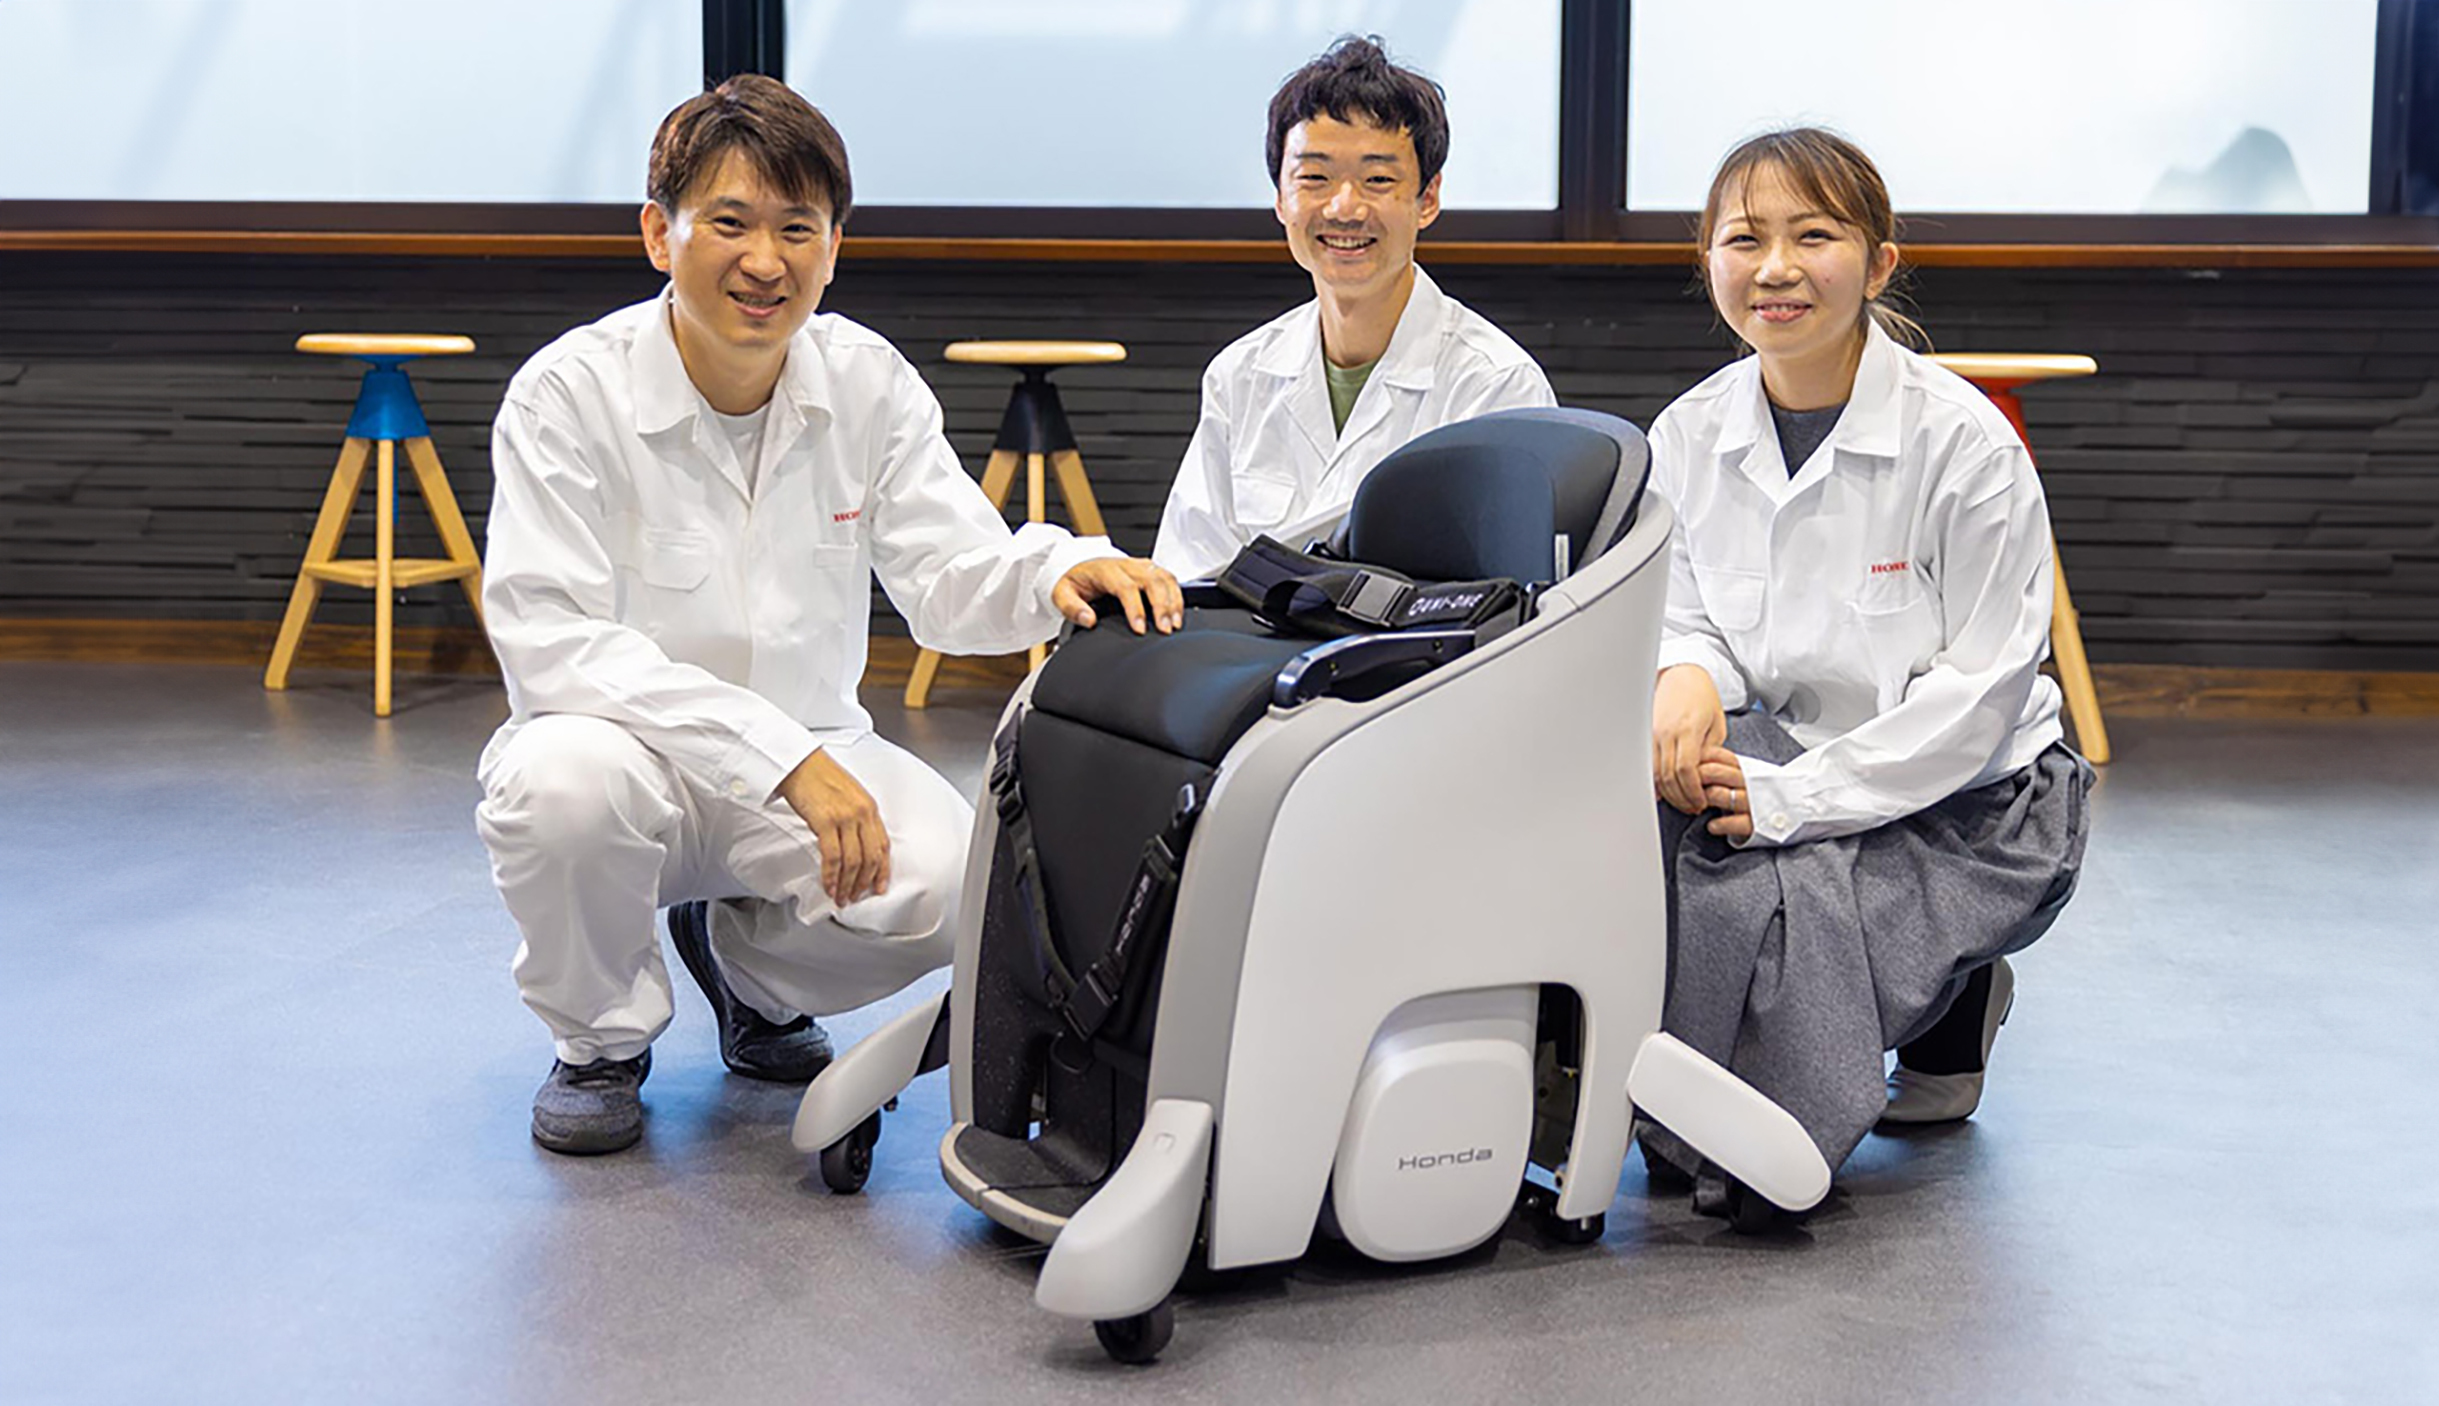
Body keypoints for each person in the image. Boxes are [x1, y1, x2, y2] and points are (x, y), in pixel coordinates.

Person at [474, 76, 1182, 1156]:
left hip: (816, 753)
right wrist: (776, 757)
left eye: (796, 228)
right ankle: (600, 1041)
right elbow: (551, 642)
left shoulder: (865, 381)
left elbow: (951, 567)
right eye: (730, 222)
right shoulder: (568, 394)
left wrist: (1062, 570)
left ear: (834, 245)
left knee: (957, 887)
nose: (766, 260)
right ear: (657, 234)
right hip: (634, 752)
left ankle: (750, 975)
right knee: (560, 789)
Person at [1643, 128, 2092, 1221]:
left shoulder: (1966, 447)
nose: (1776, 267)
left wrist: (1793, 801)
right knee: (1657, 837)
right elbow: (1685, 611)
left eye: (1815, 235)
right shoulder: (1688, 431)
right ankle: (1696, 1105)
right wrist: (1688, 676)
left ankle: (1821, 1086)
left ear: (1879, 262)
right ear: (1707, 260)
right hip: (1780, 751)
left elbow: (1979, 697)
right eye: (1743, 238)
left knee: (1771, 889)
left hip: (1974, 797)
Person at [1150, 35, 1555, 580]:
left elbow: (1513, 606)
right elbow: (1189, 570)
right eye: (1314, 178)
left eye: (1378, 180)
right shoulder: (1239, 375)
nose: (1344, 207)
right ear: (1280, 198)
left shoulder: (1497, 386)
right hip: (1252, 662)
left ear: (1427, 199)